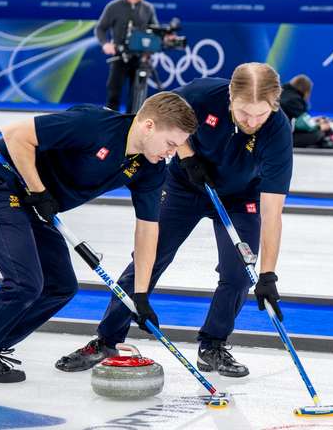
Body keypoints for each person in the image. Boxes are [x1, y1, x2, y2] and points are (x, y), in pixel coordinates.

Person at [0, 92, 198, 408]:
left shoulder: (150, 168)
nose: (174, 152)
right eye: (171, 143)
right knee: (23, 283)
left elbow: (148, 230)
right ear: (149, 126)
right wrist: (40, 191)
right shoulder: (94, 124)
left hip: (36, 204)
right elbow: (15, 134)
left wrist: (140, 295)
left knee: (60, 286)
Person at [56, 64, 292, 379]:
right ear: (229, 97)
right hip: (185, 186)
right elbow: (157, 113)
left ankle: (213, 345)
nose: (251, 122)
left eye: (259, 115)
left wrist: (268, 275)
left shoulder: (277, 132)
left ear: (274, 105)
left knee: (239, 272)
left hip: (239, 196)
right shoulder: (203, 94)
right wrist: (187, 154)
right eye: (242, 112)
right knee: (148, 259)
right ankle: (107, 340)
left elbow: (273, 211)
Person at [95, 0, 159, 112]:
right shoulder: (113, 7)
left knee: (137, 96)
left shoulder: (148, 8)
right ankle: (110, 124)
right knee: (113, 93)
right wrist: (105, 44)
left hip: (140, 58)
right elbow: (100, 28)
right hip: (119, 56)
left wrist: (154, 44)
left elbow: (155, 31)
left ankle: (131, 126)